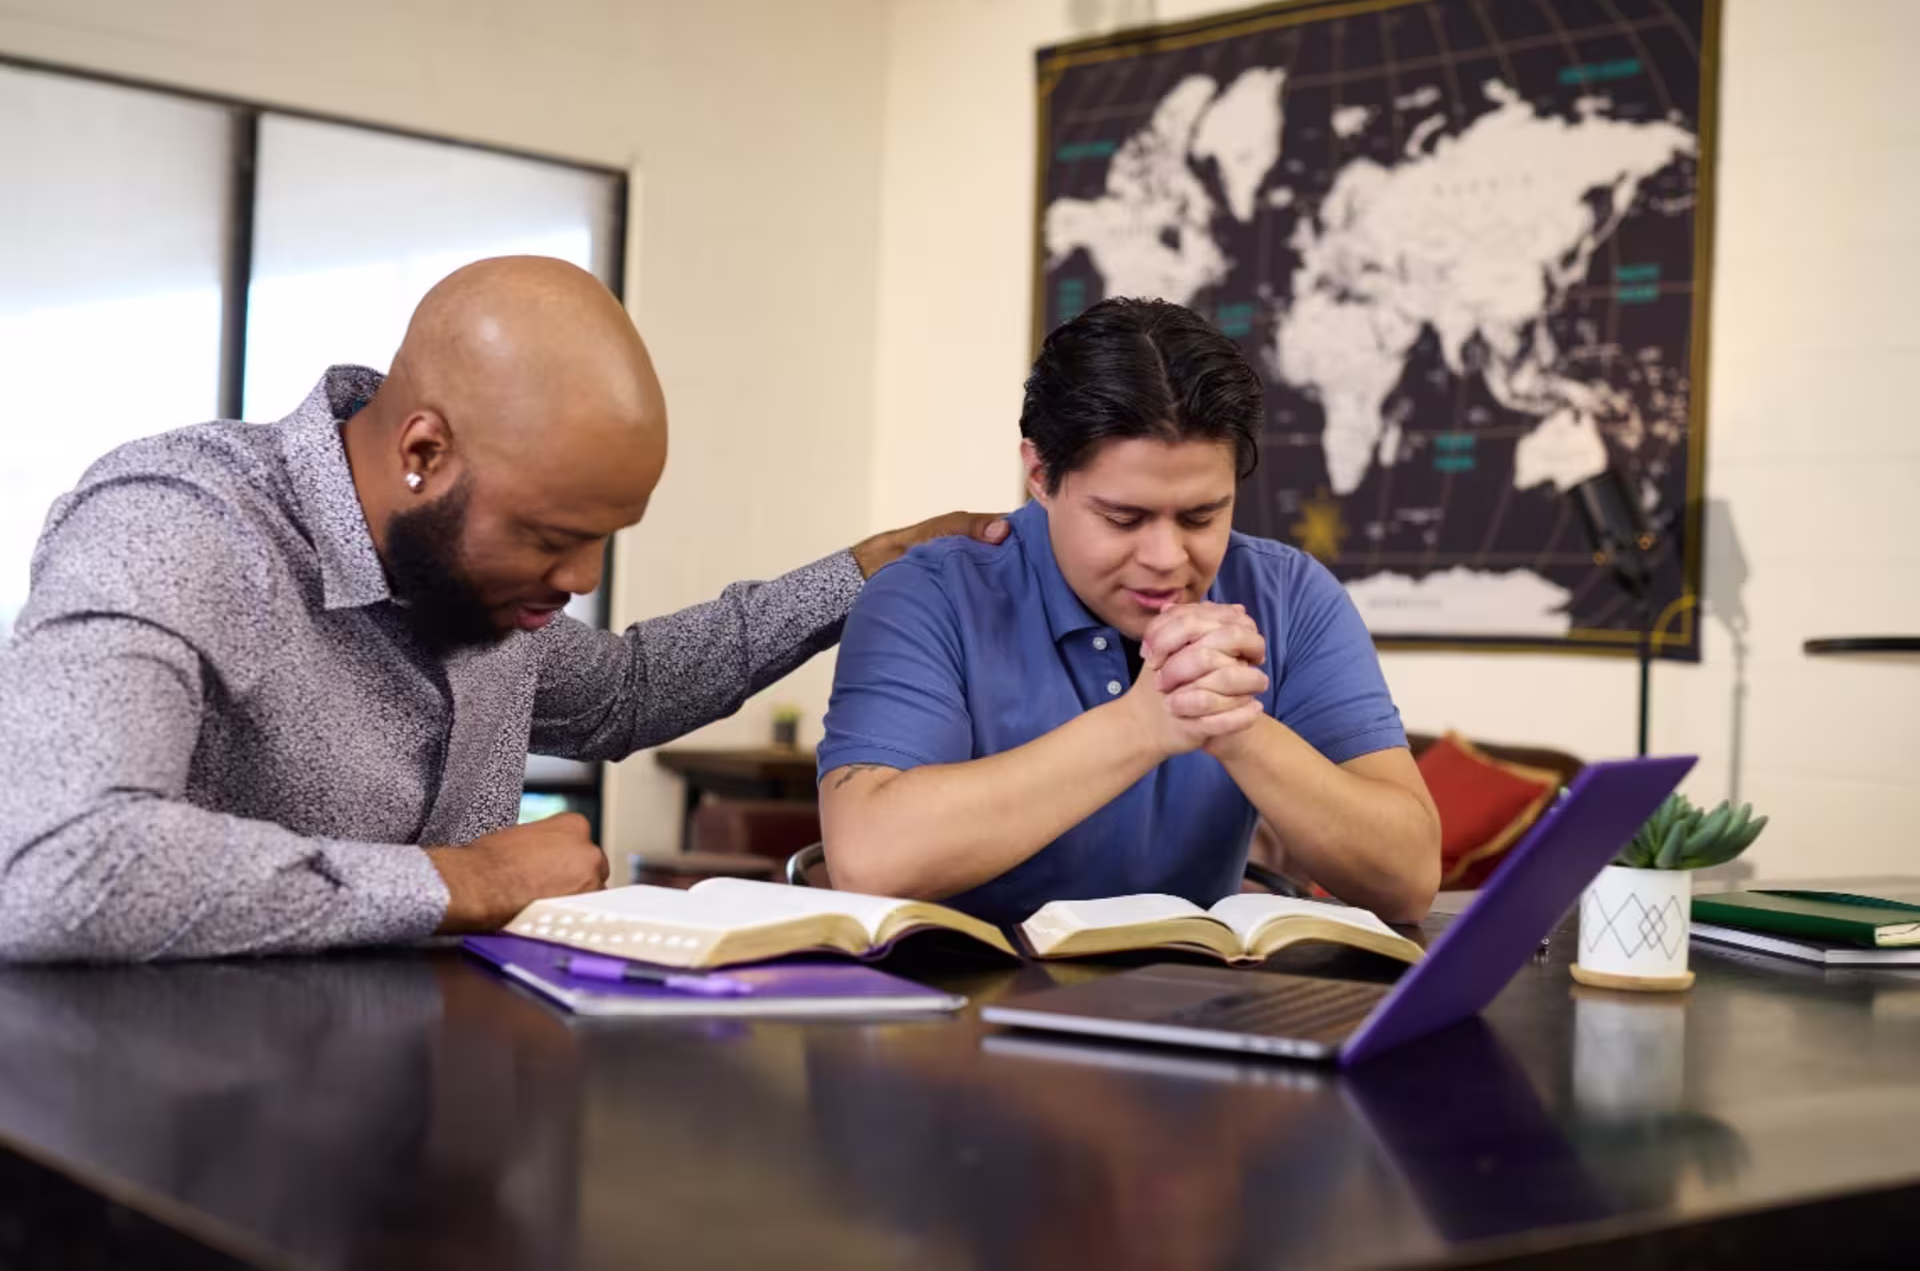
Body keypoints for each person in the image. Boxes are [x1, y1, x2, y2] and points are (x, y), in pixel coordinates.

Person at [0, 257, 1005, 963]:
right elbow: (55, 862)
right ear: (424, 452)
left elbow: (627, 689)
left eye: (606, 535)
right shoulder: (175, 530)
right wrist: (460, 881)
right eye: (551, 535)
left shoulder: (475, 588)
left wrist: (861, 572)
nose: (579, 577)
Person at [817, 297, 1439, 927]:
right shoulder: (928, 595)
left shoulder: (1292, 595)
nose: (1167, 558)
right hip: (960, 1007)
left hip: (1196, 1007)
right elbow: (871, 860)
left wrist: (1240, 729)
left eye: (1201, 516)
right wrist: (1144, 724)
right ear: (1039, 472)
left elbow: (1408, 881)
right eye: (1123, 518)